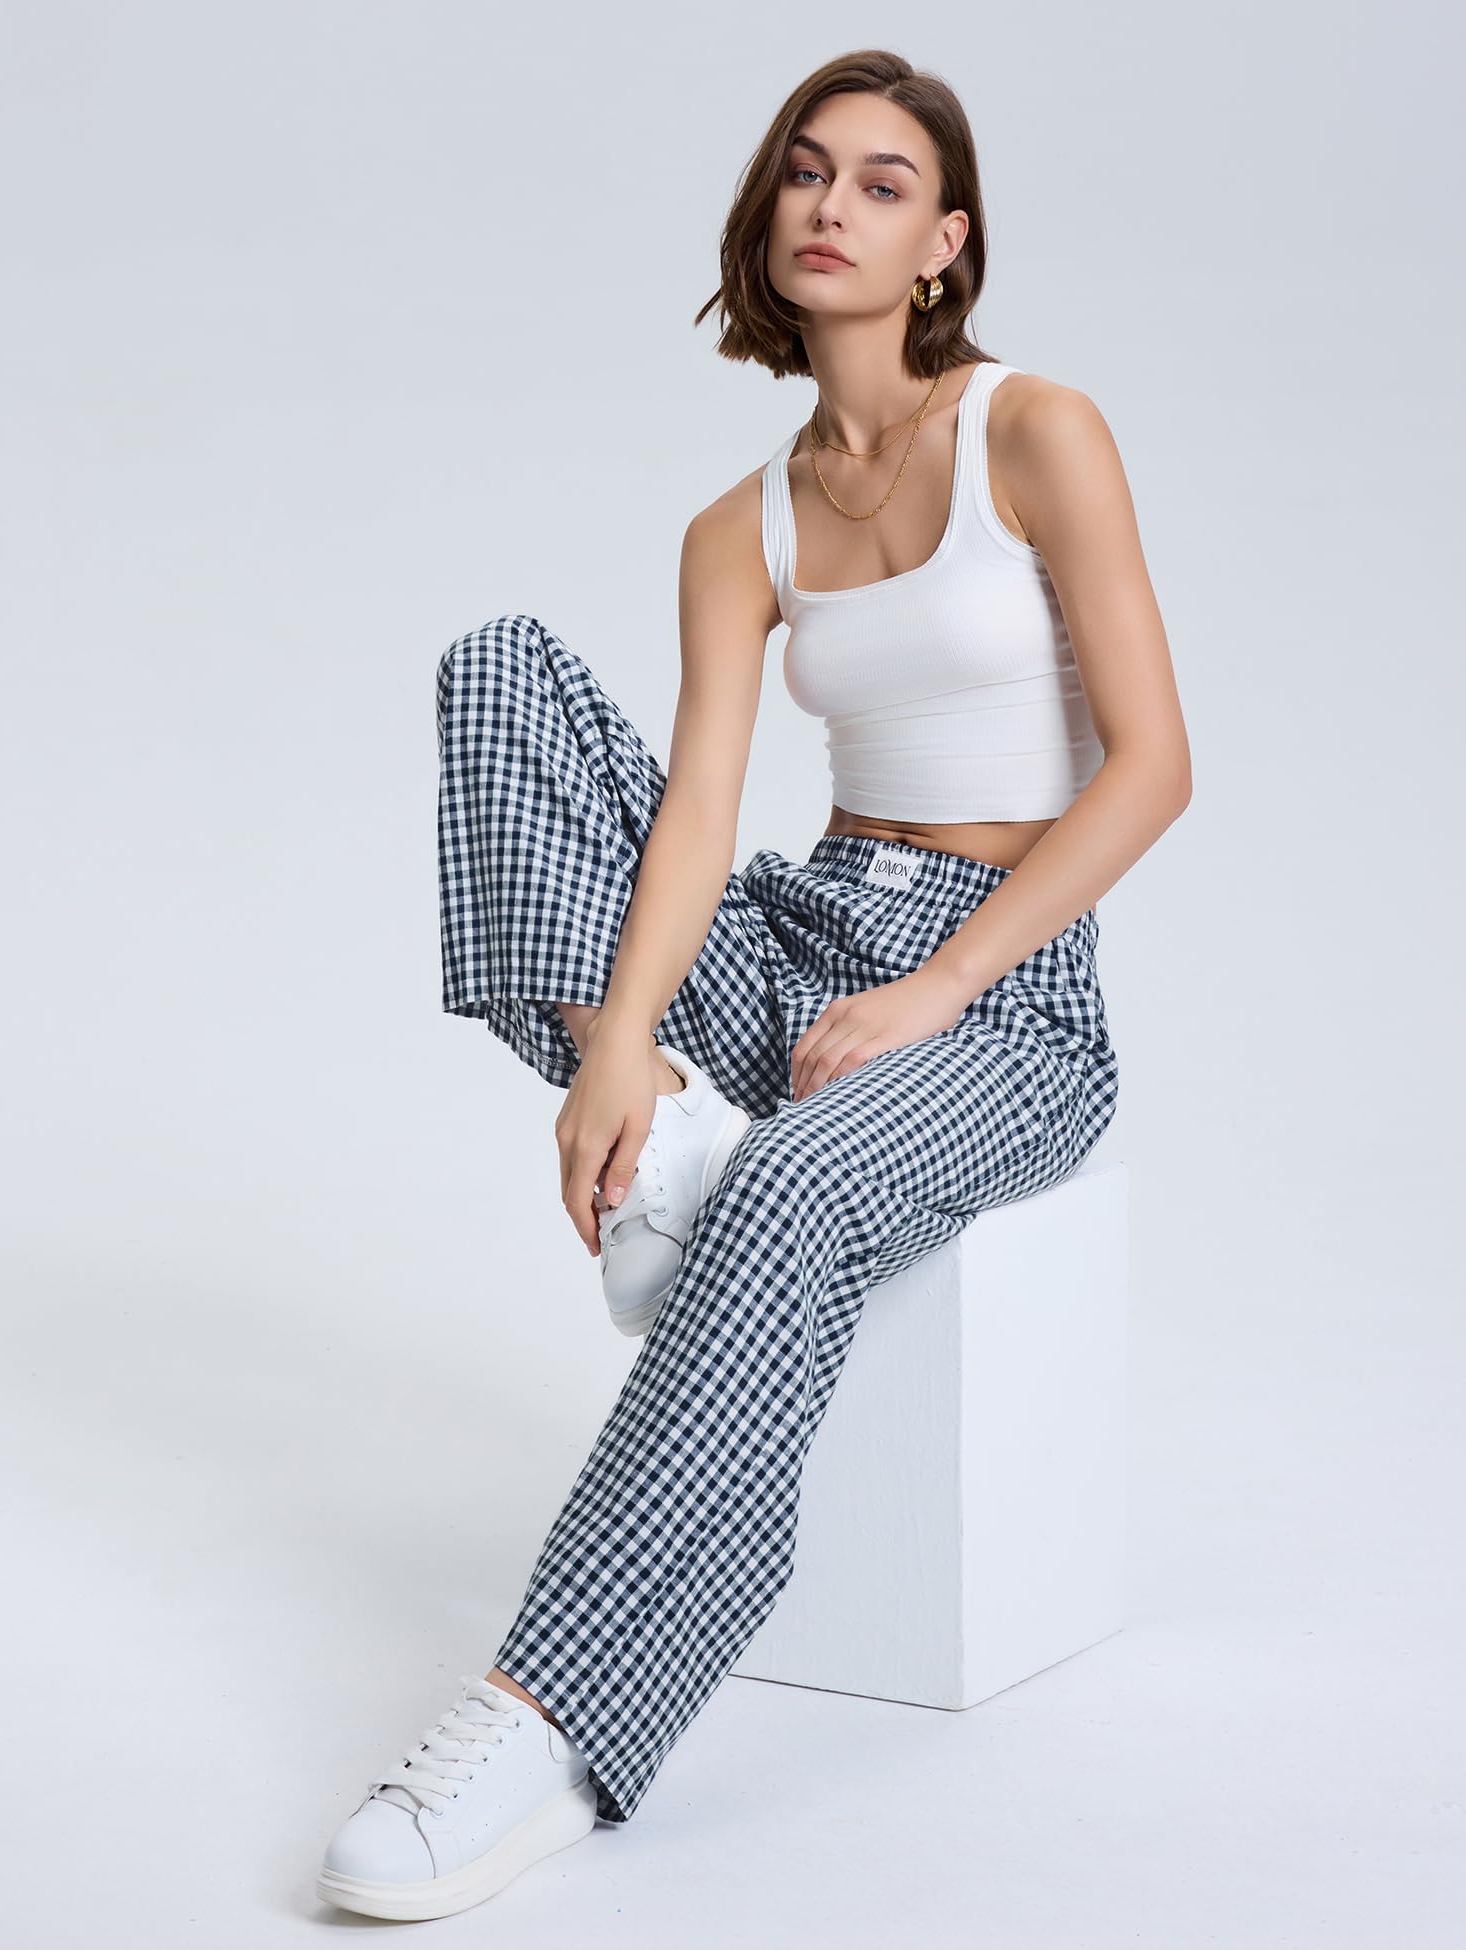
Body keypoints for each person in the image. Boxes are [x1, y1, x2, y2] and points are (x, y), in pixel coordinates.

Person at [316, 46, 1191, 1922]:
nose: (831, 205)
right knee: (502, 670)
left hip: (1008, 996)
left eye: (883, 183)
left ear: (945, 244)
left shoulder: (1039, 431)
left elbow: (1152, 770)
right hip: (804, 933)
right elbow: (700, 813)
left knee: (789, 1196)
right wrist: (616, 1049)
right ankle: (676, 1141)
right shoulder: (742, 524)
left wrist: (938, 989)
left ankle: (549, 1721)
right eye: (807, 170)